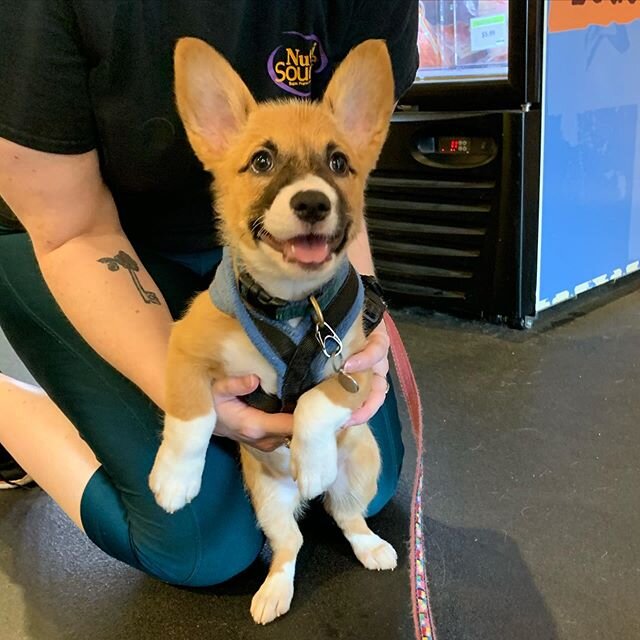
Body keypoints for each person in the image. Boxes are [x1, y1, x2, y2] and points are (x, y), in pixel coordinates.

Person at [0, 1, 418, 586]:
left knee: (364, 487)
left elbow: (337, 192)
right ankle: (10, 406)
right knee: (205, 546)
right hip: (72, 234)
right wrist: (195, 414)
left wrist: (362, 309)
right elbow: (70, 231)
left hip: (256, 244)